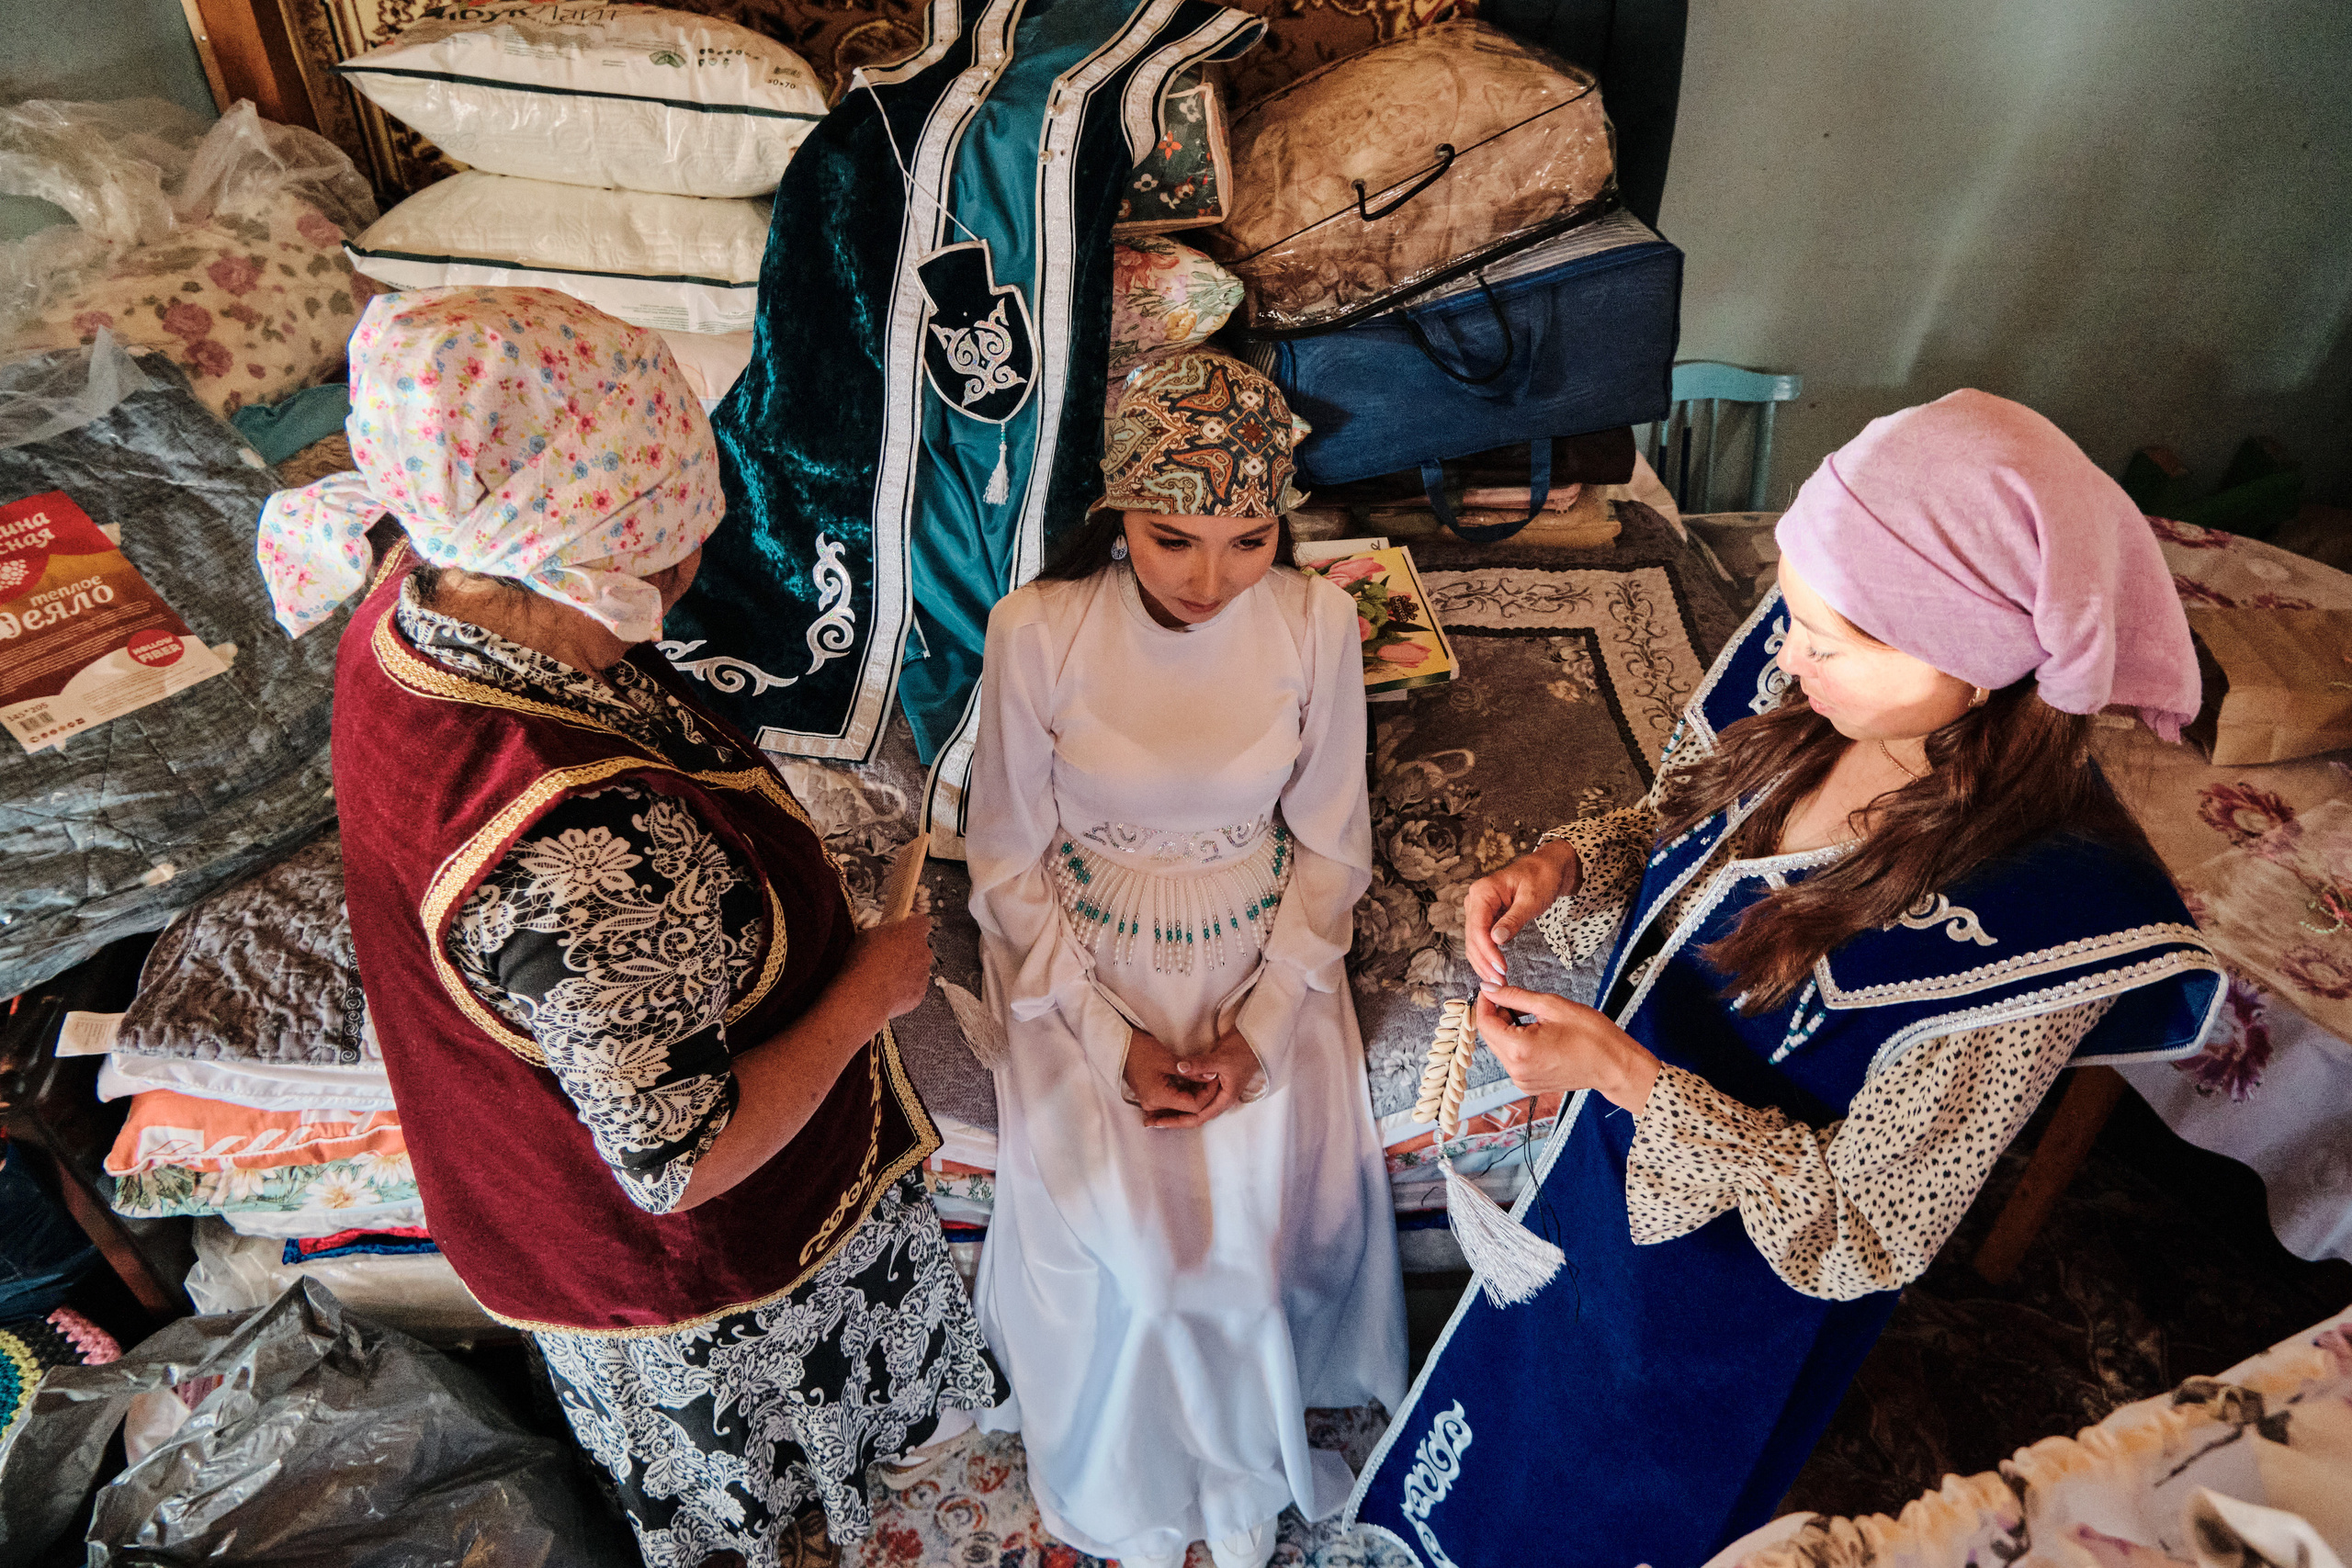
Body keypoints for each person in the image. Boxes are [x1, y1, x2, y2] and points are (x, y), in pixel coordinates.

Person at [1350, 390, 2226, 1567]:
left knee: (1608, 1484)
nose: (1792, 649)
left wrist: (1625, 1078)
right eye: (1794, 604)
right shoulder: (1807, 672)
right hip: (1602, 1174)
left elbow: (1869, 1228)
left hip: (1720, 1295)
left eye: (1841, 635)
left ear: (1982, 654)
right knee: (1523, 1386)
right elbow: (1680, 819)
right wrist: (1568, 861)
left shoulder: (2034, 927)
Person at [256, 287, 1005, 1568]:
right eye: (672, 547)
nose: (693, 569)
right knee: (773, 1500)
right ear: (584, 562)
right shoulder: (571, 856)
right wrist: (868, 992)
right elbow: (684, 1162)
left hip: (548, 1143)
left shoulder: (423, 581)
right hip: (698, 1278)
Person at [964, 352, 1408, 1568]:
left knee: (1255, 1256)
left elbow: (1332, 850)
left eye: (1251, 537)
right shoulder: (1038, 631)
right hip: (1083, 962)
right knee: (1142, 1269)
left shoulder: (1315, 619)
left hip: (1263, 957)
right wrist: (1114, 1042)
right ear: (1115, 515)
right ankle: (1127, 1508)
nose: (1213, 578)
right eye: (1173, 540)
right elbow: (1004, 865)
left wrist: (1259, 1031)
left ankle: (1232, 1487)